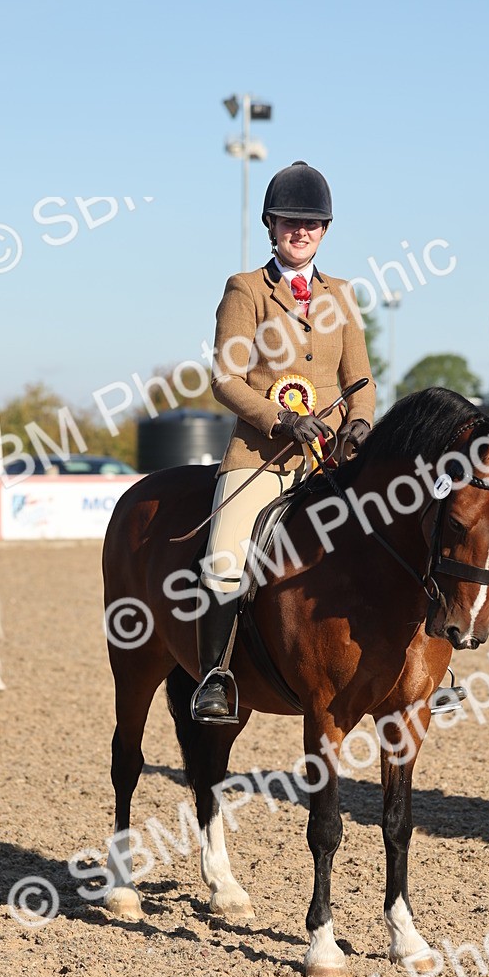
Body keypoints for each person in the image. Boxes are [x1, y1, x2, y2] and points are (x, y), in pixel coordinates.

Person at [192, 161, 376, 722]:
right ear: (272, 225)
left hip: (329, 461)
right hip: (261, 457)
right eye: (291, 222)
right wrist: (281, 419)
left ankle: (420, 672)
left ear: (325, 230)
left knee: (399, 533)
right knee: (224, 557)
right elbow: (225, 379)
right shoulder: (246, 289)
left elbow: (361, 382)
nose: (302, 231)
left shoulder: (341, 294)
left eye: (312, 223)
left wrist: (360, 425)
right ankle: (215, 679)